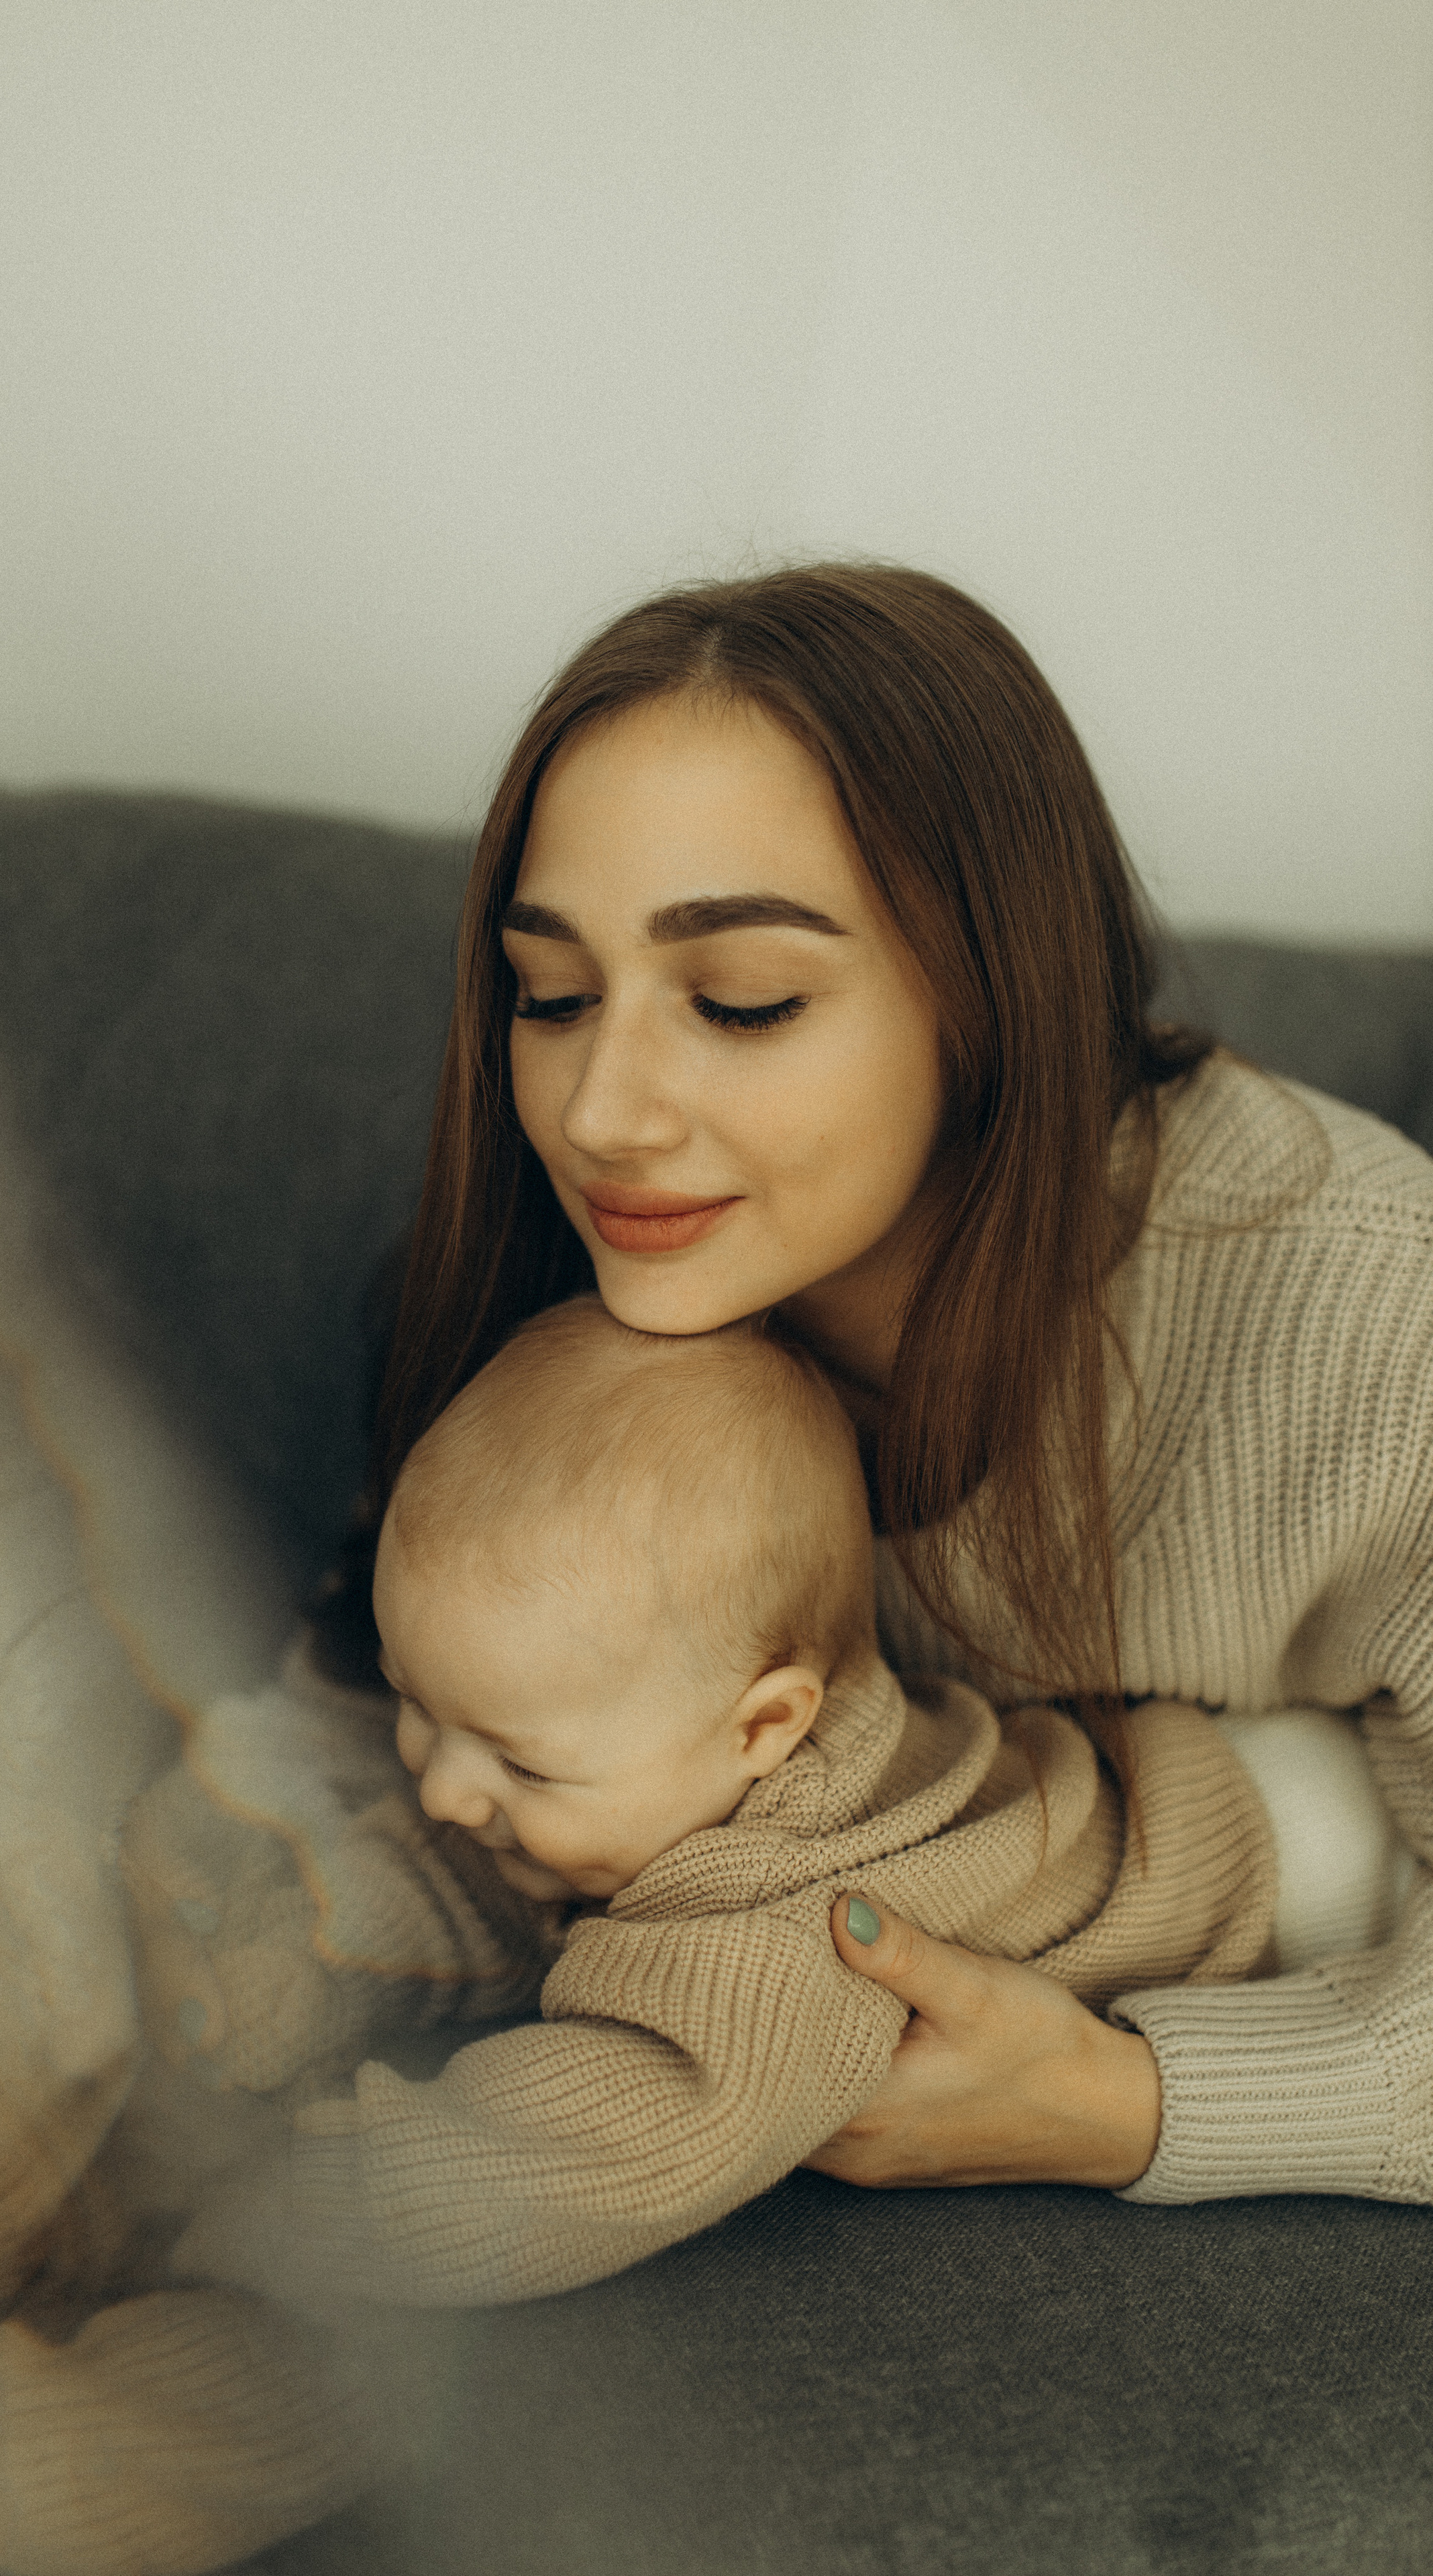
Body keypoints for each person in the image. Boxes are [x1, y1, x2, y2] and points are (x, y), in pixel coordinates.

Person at [319, 559, 1433, 2208]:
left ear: (983, 1000)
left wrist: (1119, 2105)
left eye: (742, 1002)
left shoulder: (1371, 1317)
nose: (600, 1112)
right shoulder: (565, 1286)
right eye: (550, 994)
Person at [176, 1290, 1275, 2309]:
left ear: (764, 1727)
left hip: (1256, 1863)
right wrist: (271, 1974)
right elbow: (468, 1883)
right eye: (418, 1703)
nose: (447, 1788)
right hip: (1111, 1776)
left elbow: (594, 2146)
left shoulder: (783, 1939)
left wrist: (287, 2196)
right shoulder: (647, 1763)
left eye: (523, 1767)